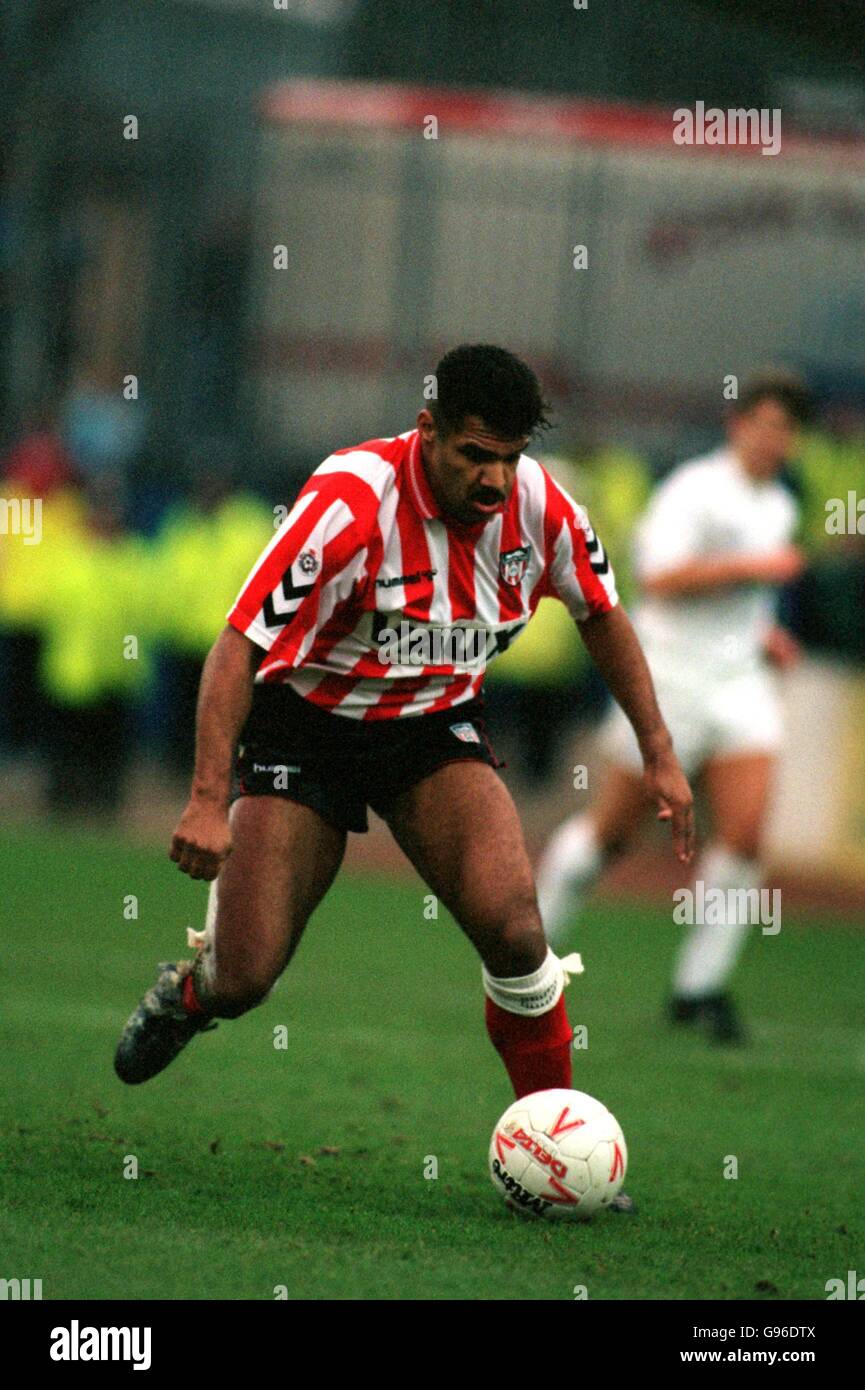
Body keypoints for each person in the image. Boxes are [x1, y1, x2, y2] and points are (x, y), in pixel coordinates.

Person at [114, 346, 693, 1199]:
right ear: (427, 432)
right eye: (474, 455)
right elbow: (237, 645)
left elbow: (602, 615)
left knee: (517, 930)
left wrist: (659, 754)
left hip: (430, 729)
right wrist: (206, 799)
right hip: (303, 729)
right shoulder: (349, 503)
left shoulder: (541, 508)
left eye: (510, 456)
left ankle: (556, 1147)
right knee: (246, 975)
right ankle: (187, 995)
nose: (495, 480)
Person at [535, 372, 811, 1043]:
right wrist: (749, 569)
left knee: (745, 837)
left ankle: (698, 987)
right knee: (613, 834)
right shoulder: (693, 489)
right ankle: (528, 950)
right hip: (667, 681)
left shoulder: (777, 504)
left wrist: (765, 635)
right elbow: (656, 578)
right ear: (737, 425)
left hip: (737, 683)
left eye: (786, 428)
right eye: (765, 423)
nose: (775, 438)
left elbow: (743, 604)